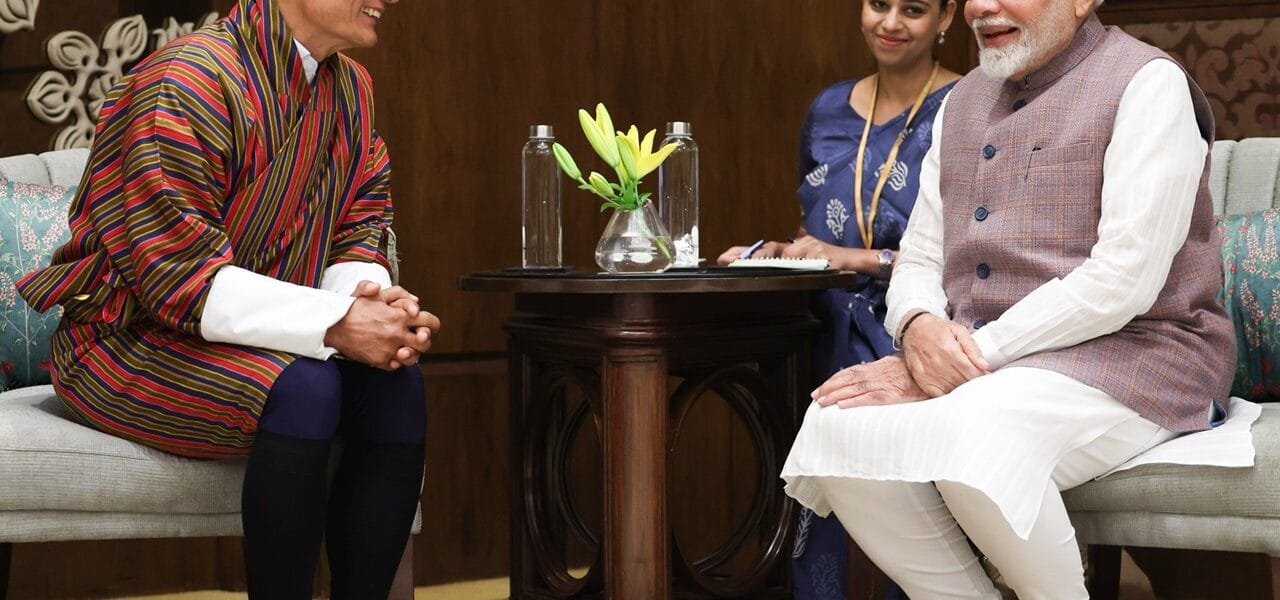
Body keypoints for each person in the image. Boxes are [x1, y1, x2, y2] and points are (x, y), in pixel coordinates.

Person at [780, 0, 1239, 596]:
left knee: (974, 431)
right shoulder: (962, 101)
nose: (980, 6)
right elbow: (921, 254)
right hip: (995, 366)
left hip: (1143, 354)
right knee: (838, 420)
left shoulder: (1148, 83)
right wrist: (917, 327)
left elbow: (1124, 279)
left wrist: (963, 358)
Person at [17, 0, 435, 596]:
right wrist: (339, 323)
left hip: (260, 336)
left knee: (396, 383)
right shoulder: (184, 79)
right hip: (128, 340)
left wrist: (372, 309)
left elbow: (358, 225)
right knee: (307, 387)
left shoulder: (350, 89)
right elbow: (179, 278)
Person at [718, 0, 960, 596]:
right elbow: (817, 228)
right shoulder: (827, 108)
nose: (891, 23)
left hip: (916, 323)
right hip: (821, 321)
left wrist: (859, 259)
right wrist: (784, 250)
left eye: (914, 9)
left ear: (947, 17)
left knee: (908, 501)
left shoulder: (969, 104)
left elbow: (970, 254)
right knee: (812, 493)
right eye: (879, 4)